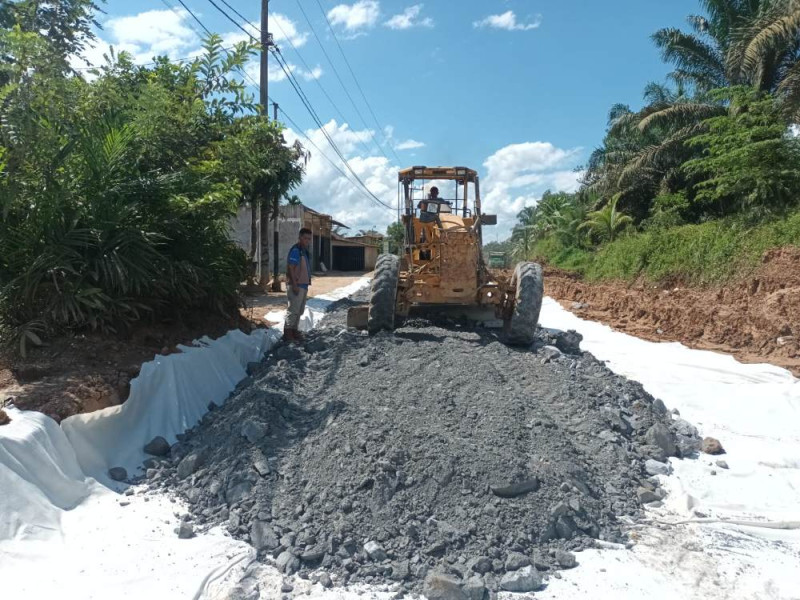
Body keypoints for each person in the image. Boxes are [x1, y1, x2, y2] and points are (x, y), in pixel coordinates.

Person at [285, 228, 313, 343]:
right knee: (293, 310)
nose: (307, 241)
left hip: (304, 285)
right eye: (305, 238)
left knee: (299, 310)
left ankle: (294, 330)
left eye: (309, 239)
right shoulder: (296, 250)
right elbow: (291, 267)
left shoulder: (303, 251)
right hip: (297, 285)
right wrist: (295, 284)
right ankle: (288, 333)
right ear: (300, 237)